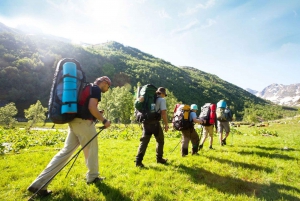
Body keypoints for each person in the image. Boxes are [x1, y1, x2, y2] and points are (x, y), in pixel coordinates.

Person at [27, 76, 112, 197]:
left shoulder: (85, 87)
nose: (107, 89)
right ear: (103, 82)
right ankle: (93, 177)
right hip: (84, 124)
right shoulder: (96, 89)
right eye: (108, 86)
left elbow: (87, 106)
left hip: (73, 122)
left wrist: (97, 113)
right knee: (92, 150)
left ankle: (39, 184)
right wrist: (104, 120)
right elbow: (91, 107)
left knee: (65, 153)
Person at [135, 87, 169, 167]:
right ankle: (159, 159)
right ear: (162, 94)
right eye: (164, 95)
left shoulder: (150, 98)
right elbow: (163, 113)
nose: (164, 96)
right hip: (154, 124)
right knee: (160, 140)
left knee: (144, 142)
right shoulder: (161, 100)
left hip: (145, 123)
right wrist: (166, 124)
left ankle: (138, 161)